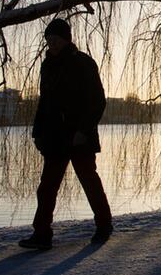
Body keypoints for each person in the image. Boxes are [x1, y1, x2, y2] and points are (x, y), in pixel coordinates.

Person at [18, 18, 112, 250]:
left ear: (66, 39)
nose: (52, 44)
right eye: (48, 40)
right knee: (47, 187)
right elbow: (45, 102)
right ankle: (42, 234)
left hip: (80, 136)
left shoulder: (83, 63)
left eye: (55, 39)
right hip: (54, 137)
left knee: (90, 182)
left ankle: (103, 226)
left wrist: (84, 130)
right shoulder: (47, 65)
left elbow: (97, 101)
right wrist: (37, 132)